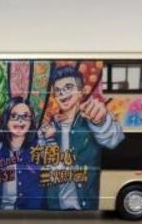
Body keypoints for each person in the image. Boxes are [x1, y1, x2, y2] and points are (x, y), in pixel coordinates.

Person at [39, 66, 124, 210]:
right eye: (58, 90)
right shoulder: (49, 127)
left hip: (85, 204)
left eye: (68, 88)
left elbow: (113, 140)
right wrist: (48, 139)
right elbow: (42, 165)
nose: (62, 93)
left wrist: (101, 121)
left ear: (81, 91)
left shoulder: (92, 120)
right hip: (55, 206)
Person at [0, 98, 43, 210]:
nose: (20, 120)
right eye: (13, 116)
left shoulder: (40, 146)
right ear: (6, 119)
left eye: (25, 116)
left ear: (31, 121)